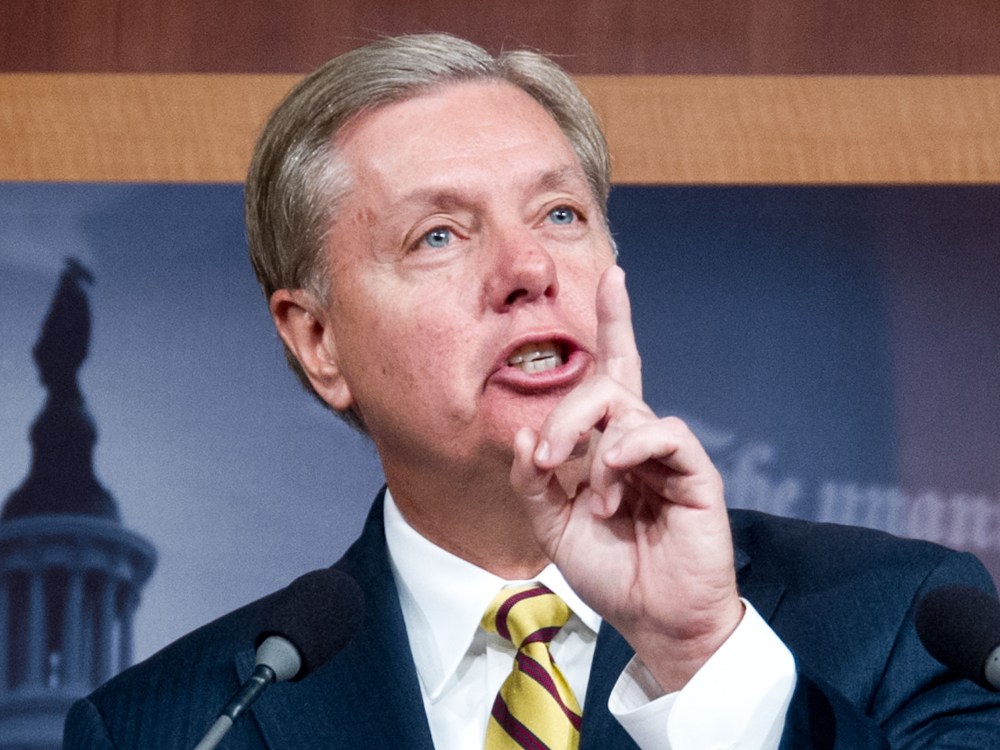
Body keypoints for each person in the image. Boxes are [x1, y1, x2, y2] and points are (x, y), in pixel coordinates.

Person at [64, 33, 1000, 749]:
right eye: (439, 234)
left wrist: (701, 658)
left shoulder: (910, 624)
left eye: (561, 214)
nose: (528, 268)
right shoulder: (180, 722)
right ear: (317, 340)